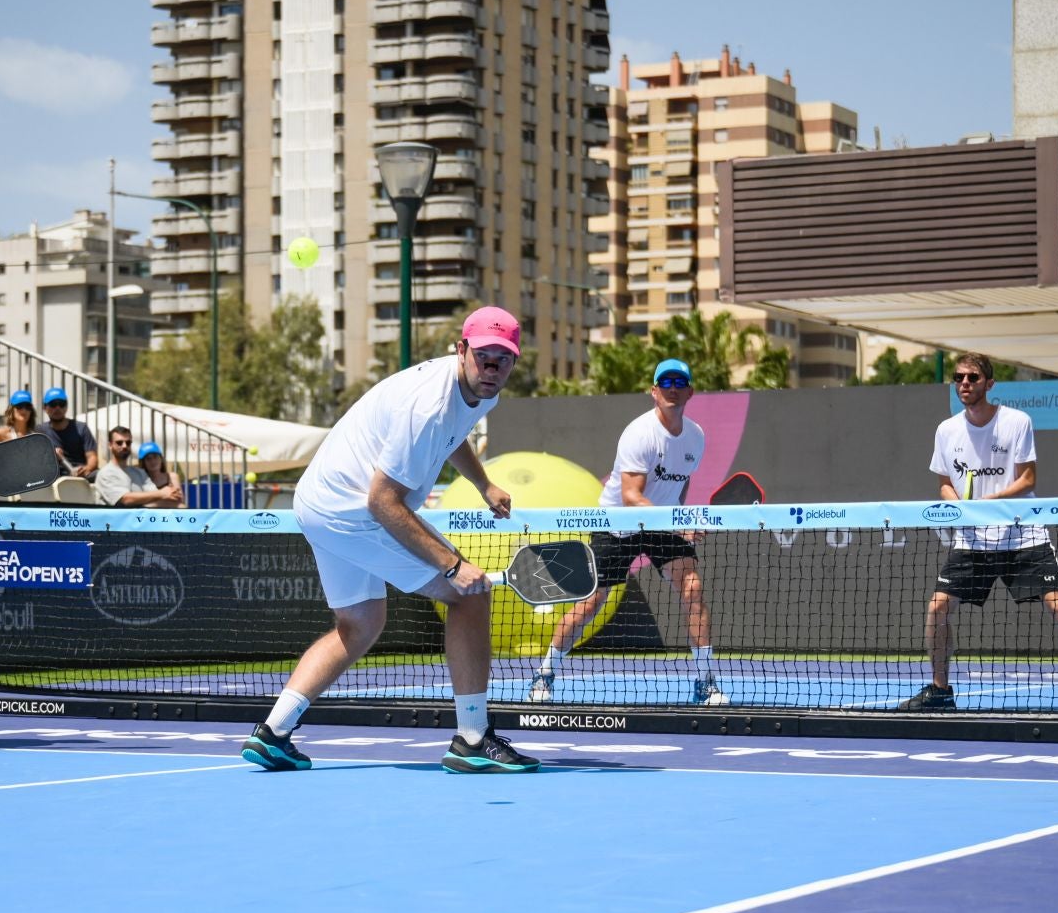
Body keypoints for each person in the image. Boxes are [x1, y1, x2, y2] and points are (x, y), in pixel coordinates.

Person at [241, 306, 536, 775]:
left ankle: (274, 734)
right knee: (470, 597)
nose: (494, 367)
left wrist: (483, 483)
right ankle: (473, 739)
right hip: (354, 509)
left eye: (504, 359)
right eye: (484, 356)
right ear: (461, 350)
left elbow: (454, 435)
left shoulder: (478, 392)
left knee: (359, 624)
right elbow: (384, 502)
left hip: (317, 504)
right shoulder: (427, 404)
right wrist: (454, 567)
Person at [897, 352, 1058, 715]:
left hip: (1023, 535)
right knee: (938, 607)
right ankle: (941, 690)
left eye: (973, 377)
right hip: (972, 539)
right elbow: (944, 484)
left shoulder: (1017, 421)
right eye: (959, 377)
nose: (964, 383)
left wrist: (989, 502)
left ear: (989, 384)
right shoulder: (946, 430)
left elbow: (1028, 479)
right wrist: (960, 508)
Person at [529, 357, 726, 706]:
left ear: (690, 392)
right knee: (591, 602)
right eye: (666, 383)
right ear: (654, 391)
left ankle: (705, 680)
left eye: (680, 384)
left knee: (692, 587)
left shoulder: (696, 437)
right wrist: (678, 523)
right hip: (617, 523)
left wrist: (679, 518)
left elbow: (679, 484)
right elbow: (632, 496)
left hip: (660, 523)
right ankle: (545, 673)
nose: (673, 389)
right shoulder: (640, 434)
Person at [96, 427, 184, 507]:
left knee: (180, 506)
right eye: (119, 443)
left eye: (128, 442)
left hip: (143, 520)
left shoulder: (139, 472)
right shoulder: (106, 473)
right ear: (110, 445)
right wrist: (162, 493)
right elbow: (125, 500)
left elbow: (156, 495)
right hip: (117, 522)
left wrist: (167, 496)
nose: (124, 446)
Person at [39, 387, 97, 479]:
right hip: (51, 477)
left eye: (61, 404)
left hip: (80, 475)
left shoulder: (81, 428)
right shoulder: (39, 431)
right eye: (53, 404)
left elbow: (92, 457)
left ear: (66, 407)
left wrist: (86, 469)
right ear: (45, 408)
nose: (57, 408)